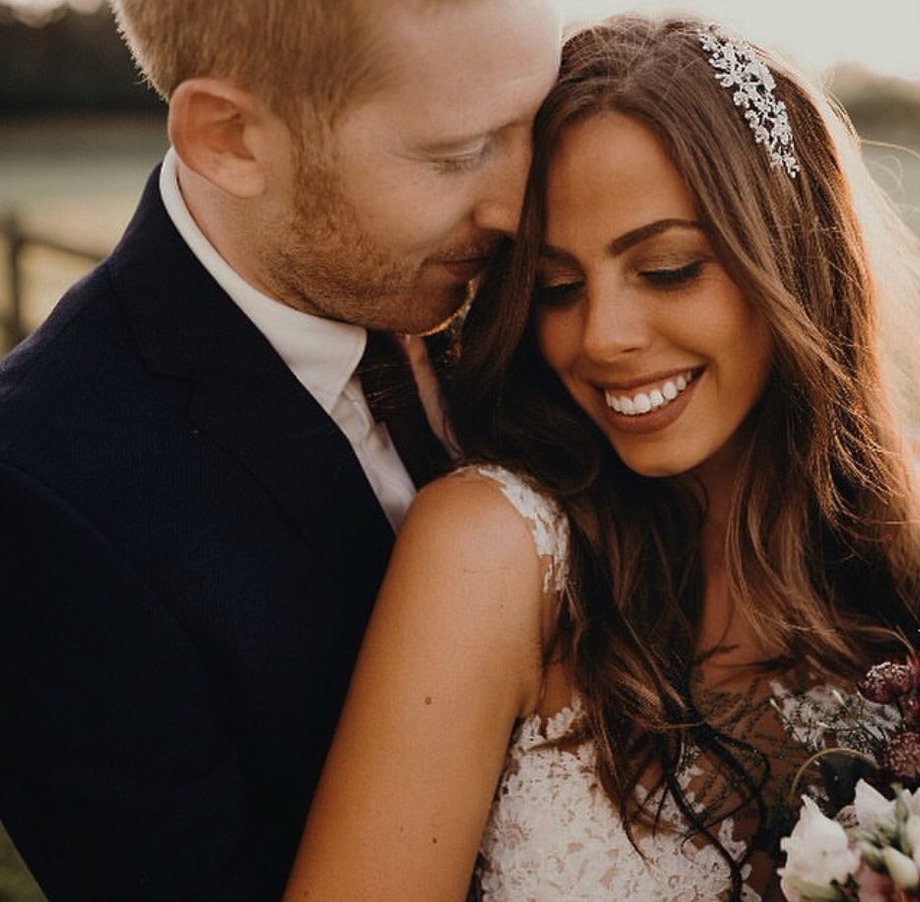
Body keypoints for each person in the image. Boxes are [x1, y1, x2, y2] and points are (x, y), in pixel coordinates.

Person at [283, 14, 920, 901]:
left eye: (669, 268)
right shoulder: (494, 555)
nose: (601, 339)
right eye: (557, 288)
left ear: (796, 260)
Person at [0, 0, 561, 898]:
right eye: (454, 155)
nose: (519, 206)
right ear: (230, 138)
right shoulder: (43, 500)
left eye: (540, 117)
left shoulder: (565, 291)